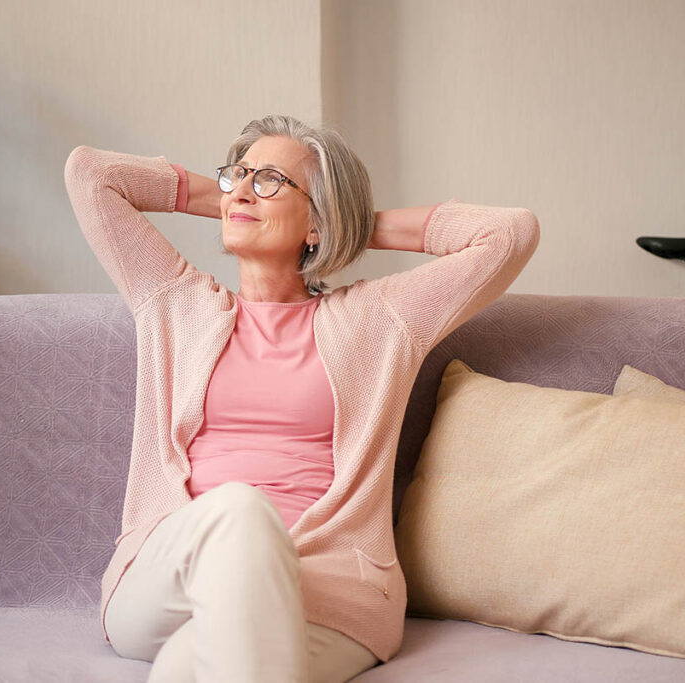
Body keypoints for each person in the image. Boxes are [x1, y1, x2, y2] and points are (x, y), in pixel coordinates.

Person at [63, 114, 539, 682]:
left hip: (327, 588)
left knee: (191, 667)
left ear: (318, 221)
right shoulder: (175, 302)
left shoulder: (378, 321)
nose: (241, 189)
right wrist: (237, 202)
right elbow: (91, 176)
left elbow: (510, 233)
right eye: (236, 175)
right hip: (170, 578)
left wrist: (347, 222)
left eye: (268, 179)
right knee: (240, 512)